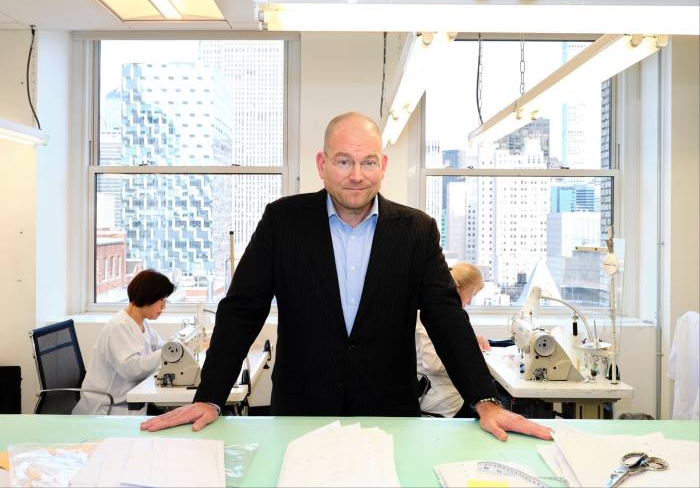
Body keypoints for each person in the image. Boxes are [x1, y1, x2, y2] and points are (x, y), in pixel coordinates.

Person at [141, 112, 550, 442]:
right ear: (322, 165)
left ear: (383, 165)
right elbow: (242, 311)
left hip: (389, 415)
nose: (357, 175)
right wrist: (210, 397)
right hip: (301, 412)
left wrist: (485, 400)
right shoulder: (282, 222)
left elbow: (446, 319)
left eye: (368, 161)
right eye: (343, 161)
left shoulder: (416, 230)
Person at [73, 269, 174, 415]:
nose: (164, 306)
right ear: (148, 297)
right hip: (107, 409)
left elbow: (160, 346)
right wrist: (168, 353)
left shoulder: (141, 324)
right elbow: (132, 370)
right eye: (162, 300)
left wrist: (176, 347)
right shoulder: (119, 327)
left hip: (126, 402)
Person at [416, 262, 492, 418]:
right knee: (493, 407)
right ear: (457, 287)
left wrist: (470, 341)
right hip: (440, 399)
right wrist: (470, 357)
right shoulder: (427, 313)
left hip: (447, 392)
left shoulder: (450, 315)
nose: (470, 302)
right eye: (472, 294)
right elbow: (434, 365)